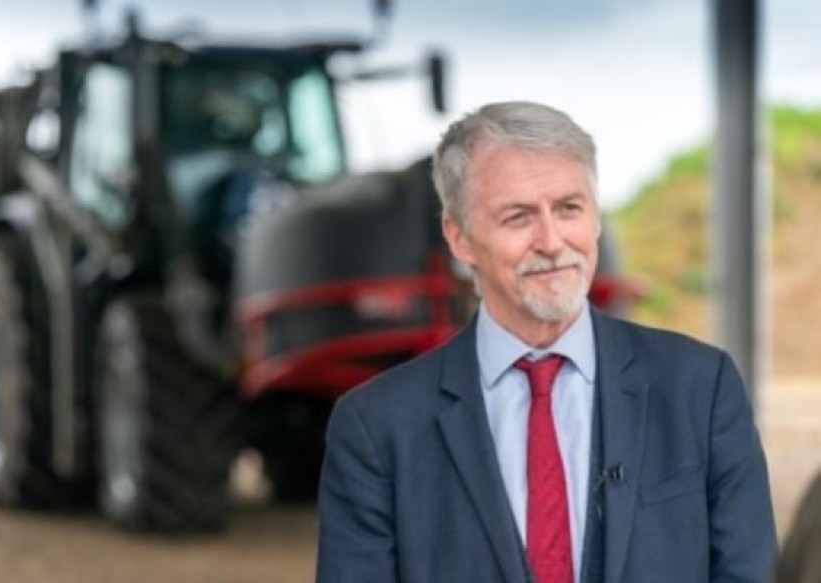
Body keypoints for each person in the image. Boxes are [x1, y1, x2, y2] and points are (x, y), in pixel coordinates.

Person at [315, 101, 777, 582]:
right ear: (459, 238)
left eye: (569, 209)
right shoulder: (375, 427)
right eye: (518, 217)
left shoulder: (701, 388)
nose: (552, 242)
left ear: (595, 218)